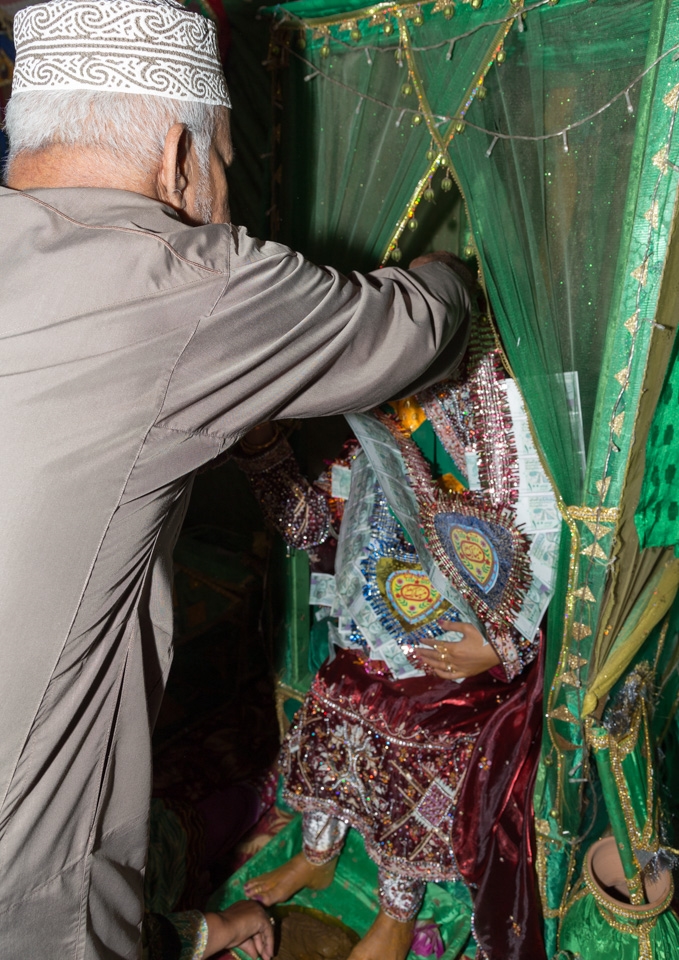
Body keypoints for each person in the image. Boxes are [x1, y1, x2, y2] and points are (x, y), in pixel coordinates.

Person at [0, 0, 472, 956]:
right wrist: (453, 268)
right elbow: (415, 329)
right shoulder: (179, 278)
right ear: (177, 155)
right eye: (221, 173)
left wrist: (202, 928)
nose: (225, 201)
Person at [242, 321, 560, 960]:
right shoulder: (361, 420)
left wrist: (503, 643)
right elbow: (316, 534)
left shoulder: (496, 417)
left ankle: (396, 909)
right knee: (335, 700)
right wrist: (262, 447)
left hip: (453, 664)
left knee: (417, 731)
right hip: (368, 640)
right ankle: (319, 853)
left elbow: (539, 557)